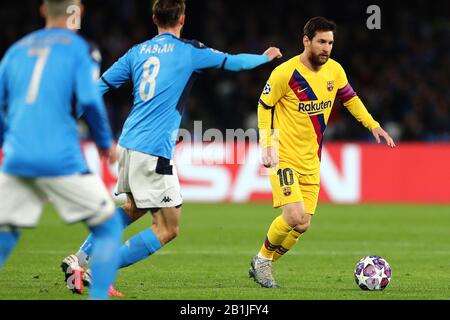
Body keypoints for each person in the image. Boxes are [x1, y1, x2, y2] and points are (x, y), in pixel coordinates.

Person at [61, 0, 282, 295]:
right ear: (182, 18)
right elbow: (232, 62)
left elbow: (98, 87)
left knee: (134, 207)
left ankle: (80, 258)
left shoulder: (136, 52)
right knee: (168, 228)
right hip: (153, 149)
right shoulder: (189, 51)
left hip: (127, 143)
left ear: (154, 18)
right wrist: (264, 58)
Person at [249, 16, 396, 288]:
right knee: (293, 216)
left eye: (330, 42)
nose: (326, 48)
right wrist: (267, 144)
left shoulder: (335, 71)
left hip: (311, 160)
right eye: (321, 42)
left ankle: (263, 260)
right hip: (283, 157)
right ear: (306, 41)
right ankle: (262, 261)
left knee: (302, 225)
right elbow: (264, 105)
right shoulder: (286, 73)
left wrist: (373, 125)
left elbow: (351, 99)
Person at [0, 0, 123, 300]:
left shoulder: (15, 51)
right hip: (61, 158)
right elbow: (90, 100)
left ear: (43, 9)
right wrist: (105, 142)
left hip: (18, 158)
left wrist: (9, 141)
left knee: (7, 232)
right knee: (108, 229)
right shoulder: (82, 49)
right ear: (77, 11)